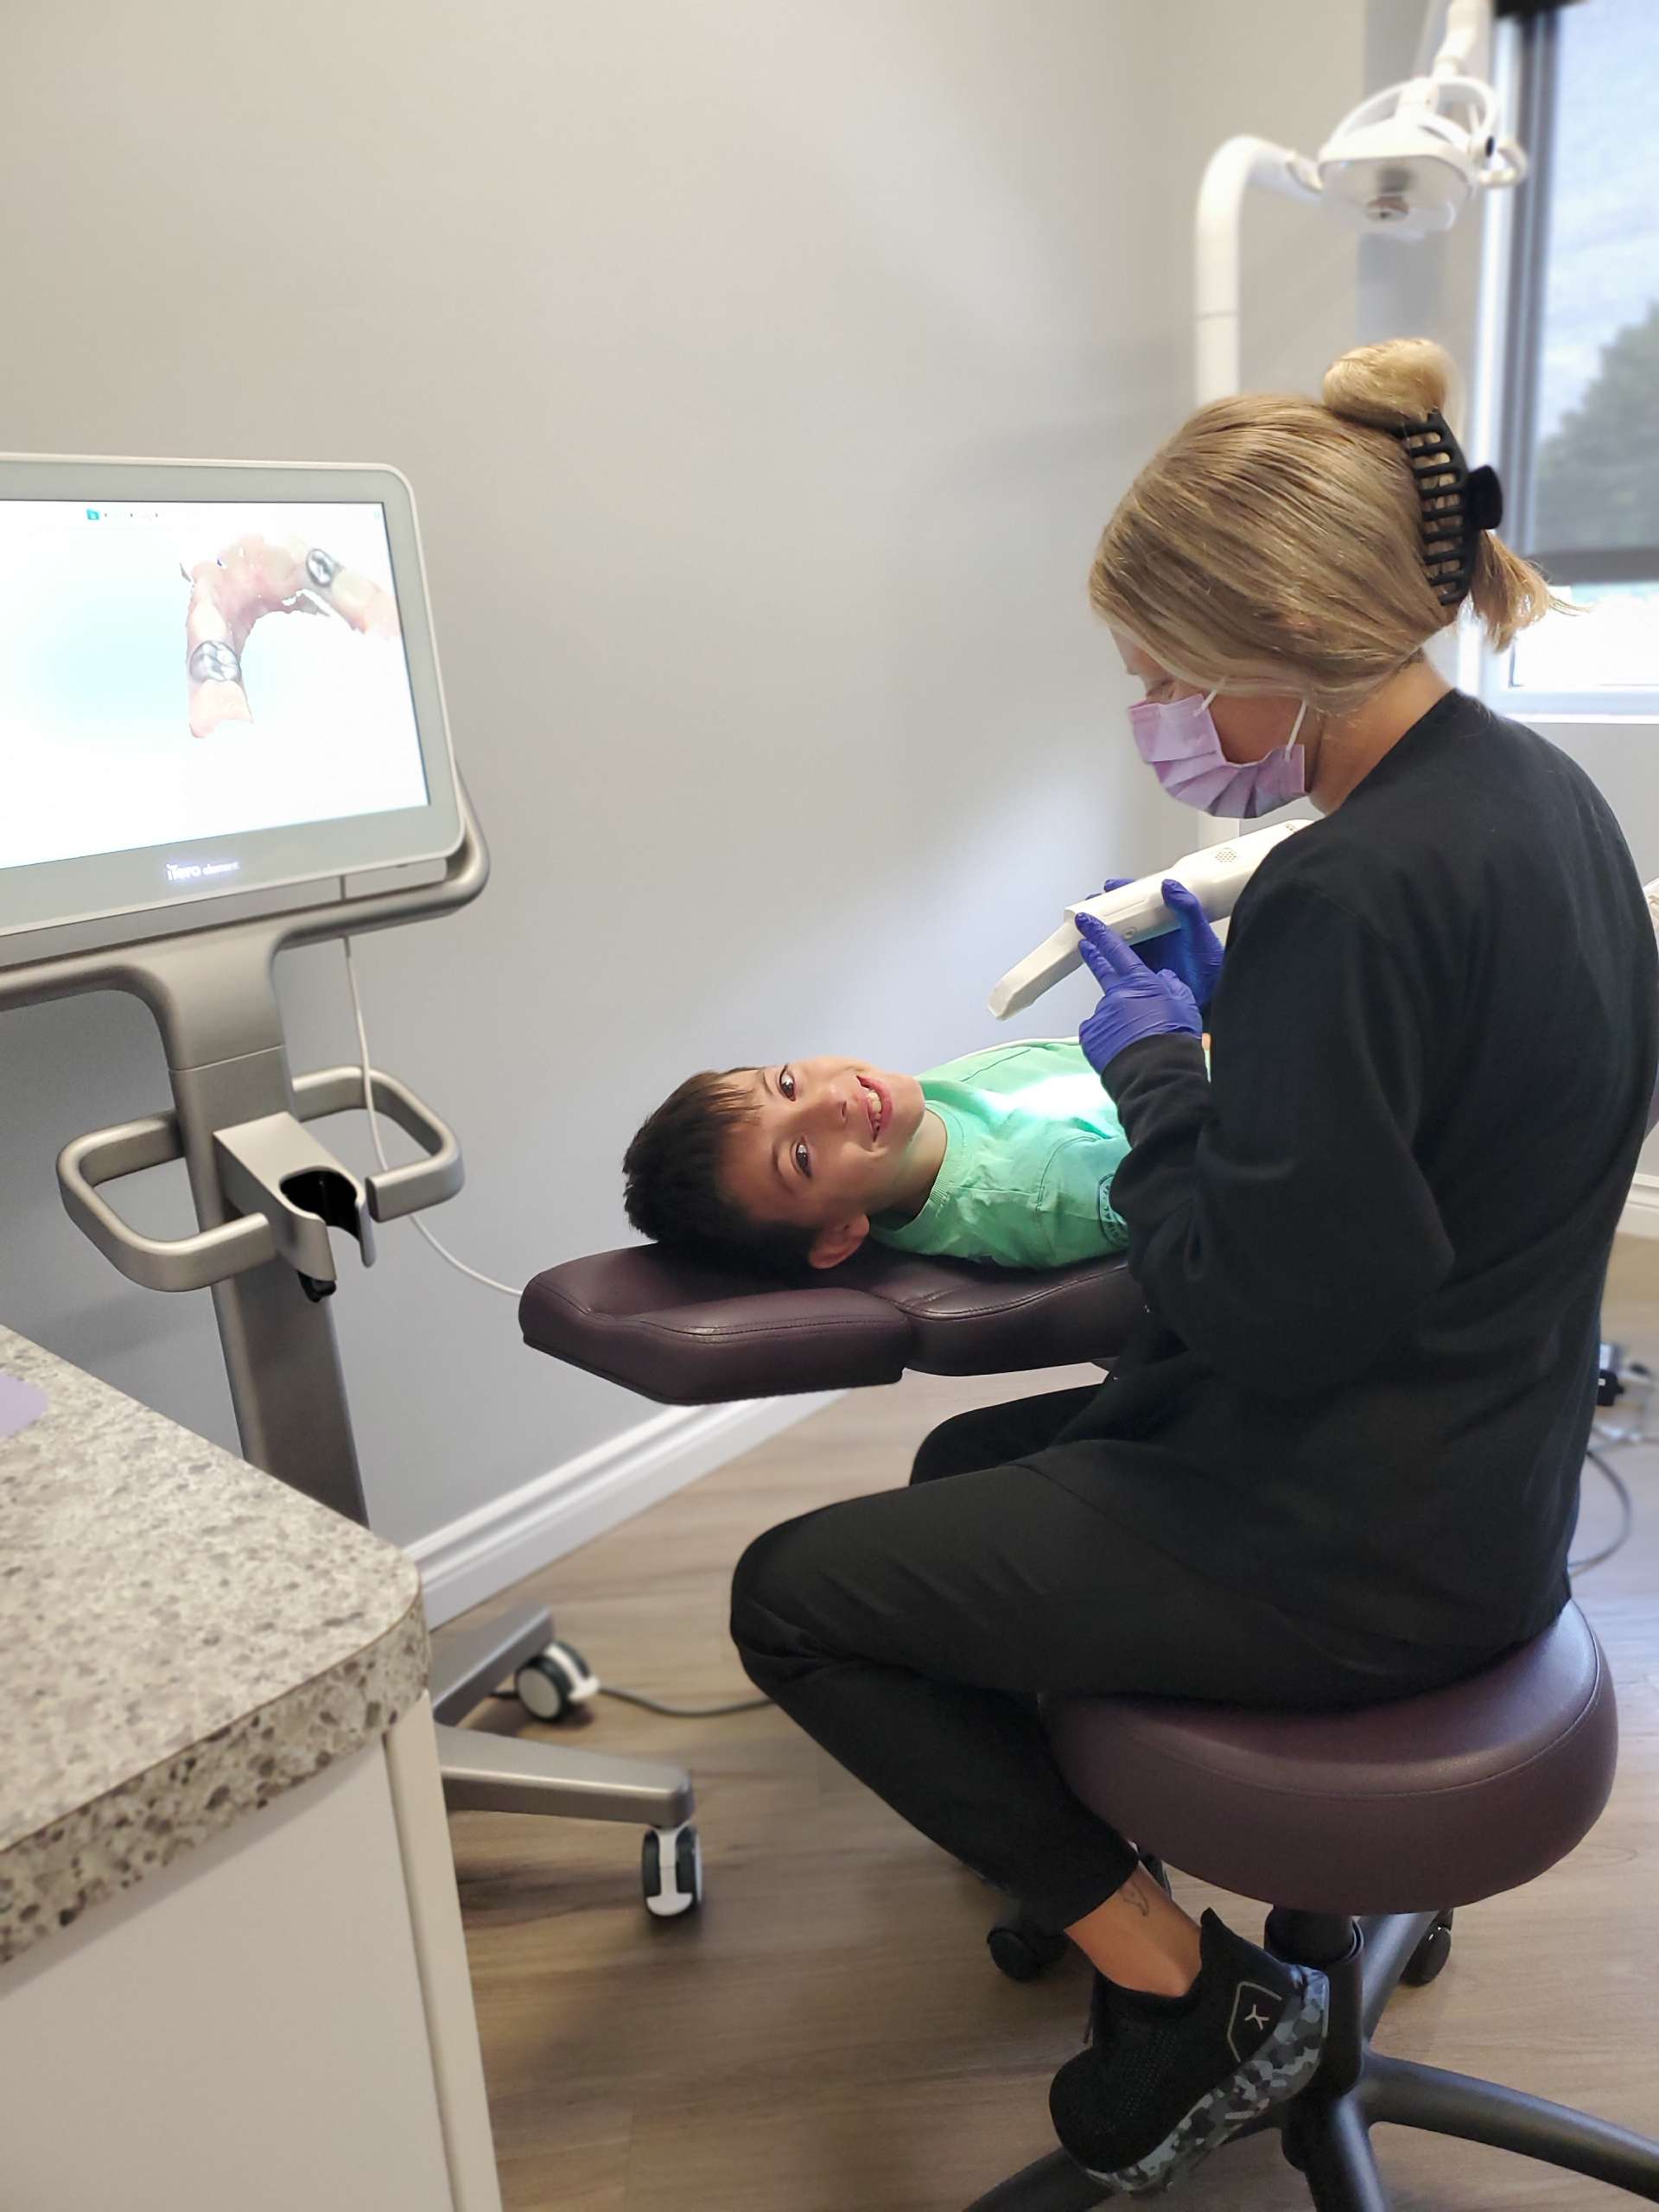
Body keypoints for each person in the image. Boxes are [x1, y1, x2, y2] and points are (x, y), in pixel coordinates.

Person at [728, 338, 1659, 2194]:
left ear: (1280, 640)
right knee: (962, 1464)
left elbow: (1258, 1304)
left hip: (1359, 1541)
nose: (1152, 708)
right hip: (1488, 1465)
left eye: (1162, 670)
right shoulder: (1542, 799)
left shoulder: (1344, 885)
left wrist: (1158, 1075)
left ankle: (1197, 2000)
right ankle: (1101, 1872)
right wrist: (1265, 1055)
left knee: (792, 1593)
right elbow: (1425, 1161)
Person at [620, 1030, 1190, 1272]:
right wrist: (1172, 1043)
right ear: (836, 1235)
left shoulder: (907, 1117)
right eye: (801, 1157)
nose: (830, 1102)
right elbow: (1212, 1172)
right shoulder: (1040, 1199)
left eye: (787, 1085)